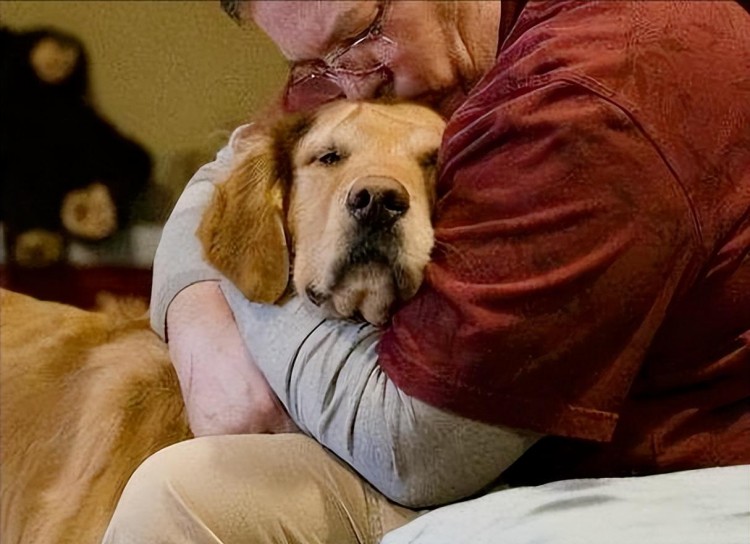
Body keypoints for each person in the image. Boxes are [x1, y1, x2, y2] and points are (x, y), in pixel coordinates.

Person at [104, 1, 750, 542]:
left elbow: (416, 452)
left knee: (185, 493)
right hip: (508, 436)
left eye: (359, 34)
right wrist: (200, 325)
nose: (350, 85)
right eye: (313, 62)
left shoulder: (585, 94)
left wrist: (246, 284)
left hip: (638, 469)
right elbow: (237, 164)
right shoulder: (383, 65)